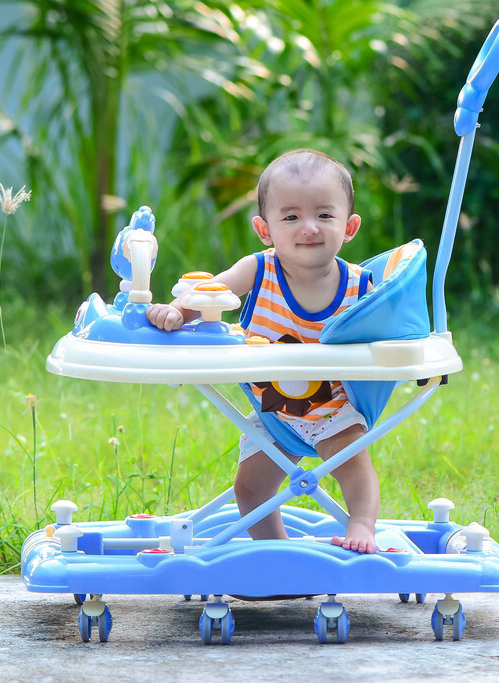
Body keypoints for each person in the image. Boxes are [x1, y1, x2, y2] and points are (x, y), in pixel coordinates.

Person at [146, 149, 379, 553]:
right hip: (272, 413)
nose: (308, 227)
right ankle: (276, 553)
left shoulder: (362, 287)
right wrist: (177, 311)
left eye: (324, 215)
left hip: (333, 412)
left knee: (354, 467)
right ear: (264, 229)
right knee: (249, 488)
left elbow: (389, 334)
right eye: (290, 217)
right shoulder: (258, 269)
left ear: (350, 226)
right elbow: (212, 293)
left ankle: (361, 524)